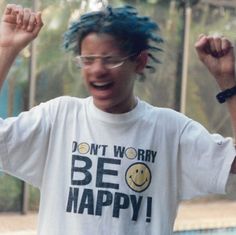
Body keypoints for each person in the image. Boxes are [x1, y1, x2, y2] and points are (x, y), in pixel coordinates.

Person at [0, 3, 236, 235]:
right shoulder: (59, 118)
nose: (97, 70)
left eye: (111, 59)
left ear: (140, 62)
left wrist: (229, 82)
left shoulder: (170, 131)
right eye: (88, 60)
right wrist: (6, 48)